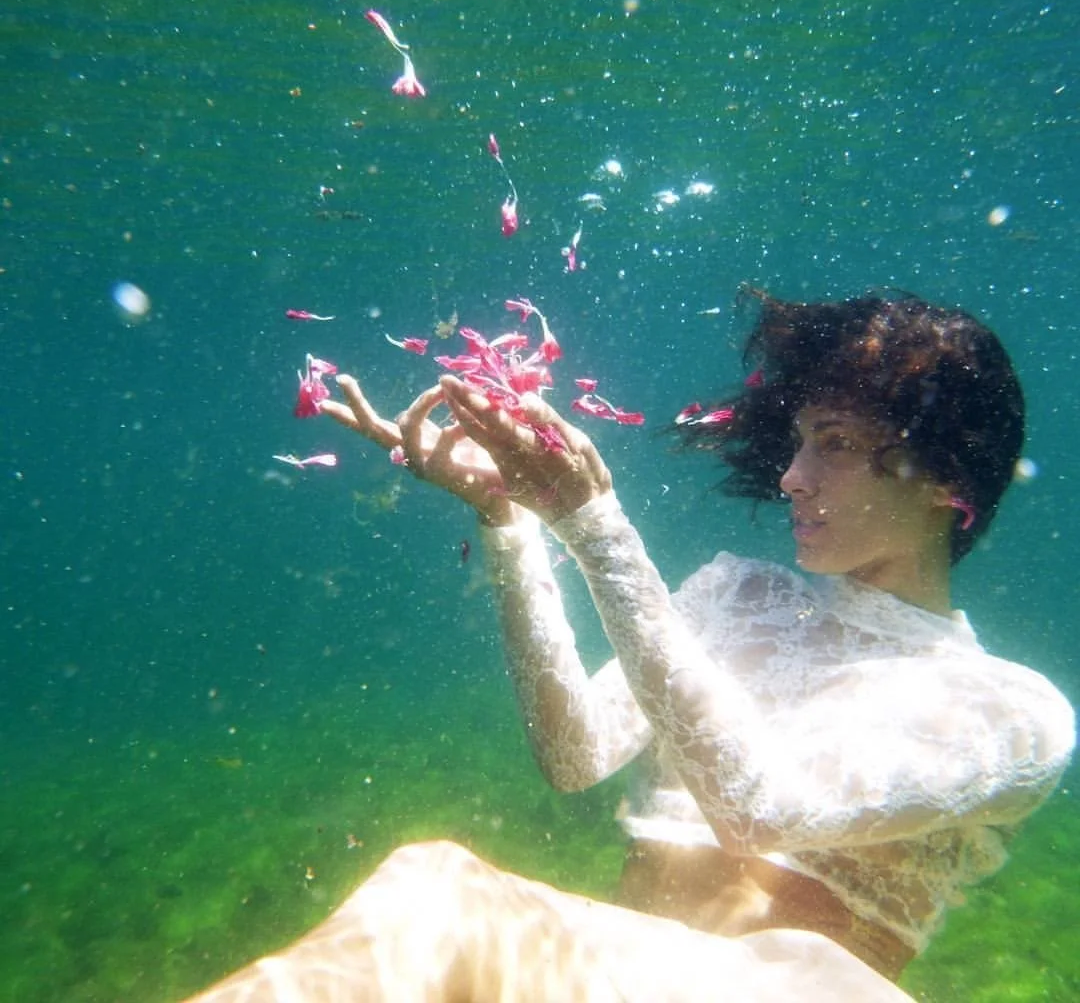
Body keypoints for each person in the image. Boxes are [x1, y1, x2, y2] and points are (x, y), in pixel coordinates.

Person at [188, 292, 1073, 1002]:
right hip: (631, 978)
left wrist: (595, 527)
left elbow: (762, 810)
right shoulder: (735, 594)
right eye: (801, 440)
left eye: (835, 444)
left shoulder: (1015, 712)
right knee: (432, 904)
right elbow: (576, 754)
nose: (792, 475)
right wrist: (510, 520)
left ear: (948, 476)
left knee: (435, 899)